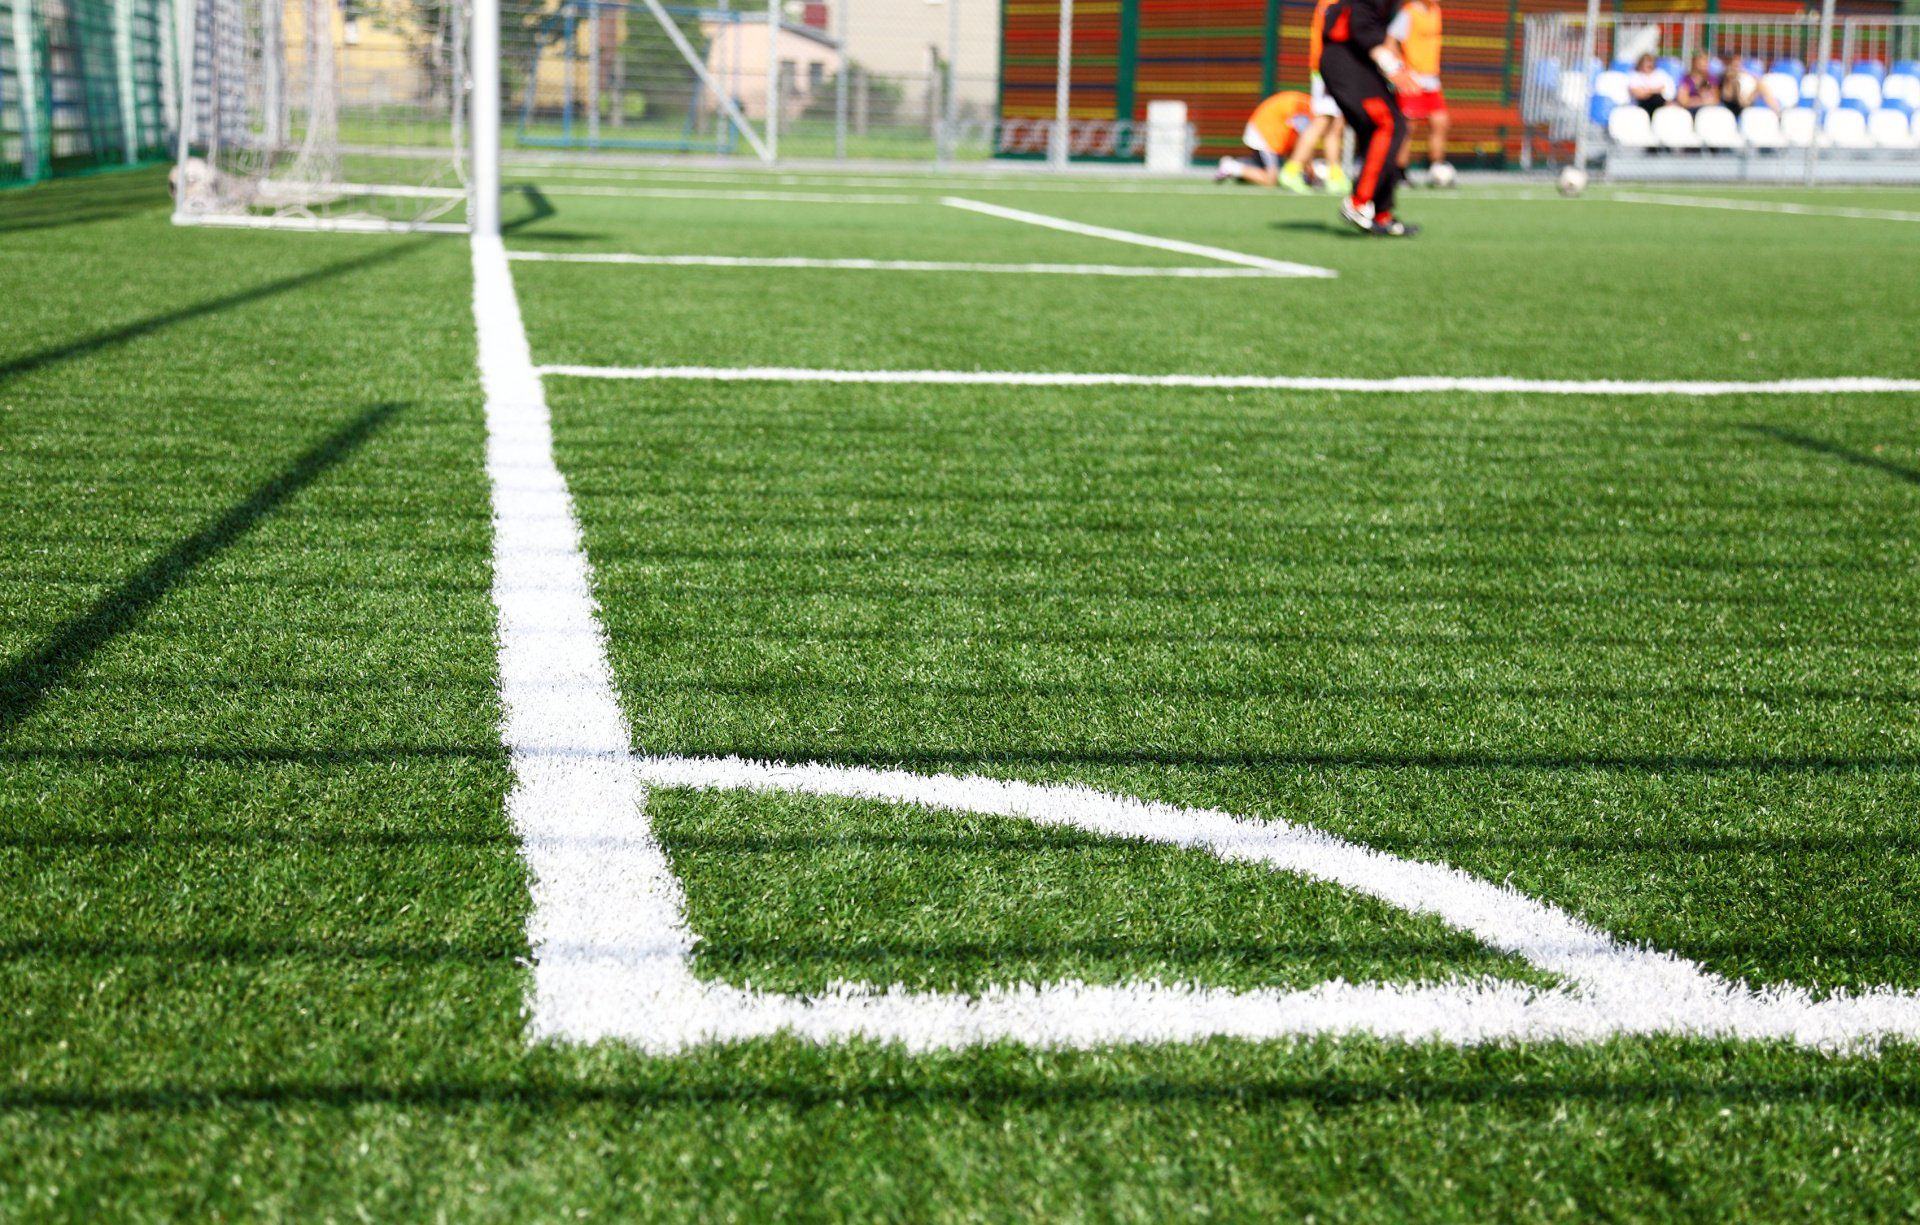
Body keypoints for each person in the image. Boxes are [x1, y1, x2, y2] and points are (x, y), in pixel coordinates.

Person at [1318, 0, 1420, 236]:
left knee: (1383, 131)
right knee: (1388, 124)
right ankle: (1358, 202)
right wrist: (1392, 66)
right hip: (1347, 60)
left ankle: (1381, 213)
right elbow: (1360, 25)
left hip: (1354, 60)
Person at [1279, 0, 1352, 196]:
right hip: (1330, 68)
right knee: (1322, 121)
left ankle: (1335, 175)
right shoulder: (1332, 4)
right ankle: (1292, 170)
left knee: (1335, 124)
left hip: (1332, 68)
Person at [1387, 0, 1451, 182]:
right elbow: (1391, 42)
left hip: (1431, 78)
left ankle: (1436, 167)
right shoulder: (1408, 13)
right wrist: (1401, 70)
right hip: (1412, 79)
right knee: (1408, 127)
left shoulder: (1436, 11)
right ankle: (1399, 170)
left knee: (1441, 122)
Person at [1215, 91, 1315, 188]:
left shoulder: (1306, 103)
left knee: (1267, 170)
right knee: (1271, 180)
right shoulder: (1306, 106)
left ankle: (1241, 166)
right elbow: (1305, 141)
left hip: (1267, 133)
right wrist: (1310, 170)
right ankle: (1230, 167)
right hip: (1265, 135)